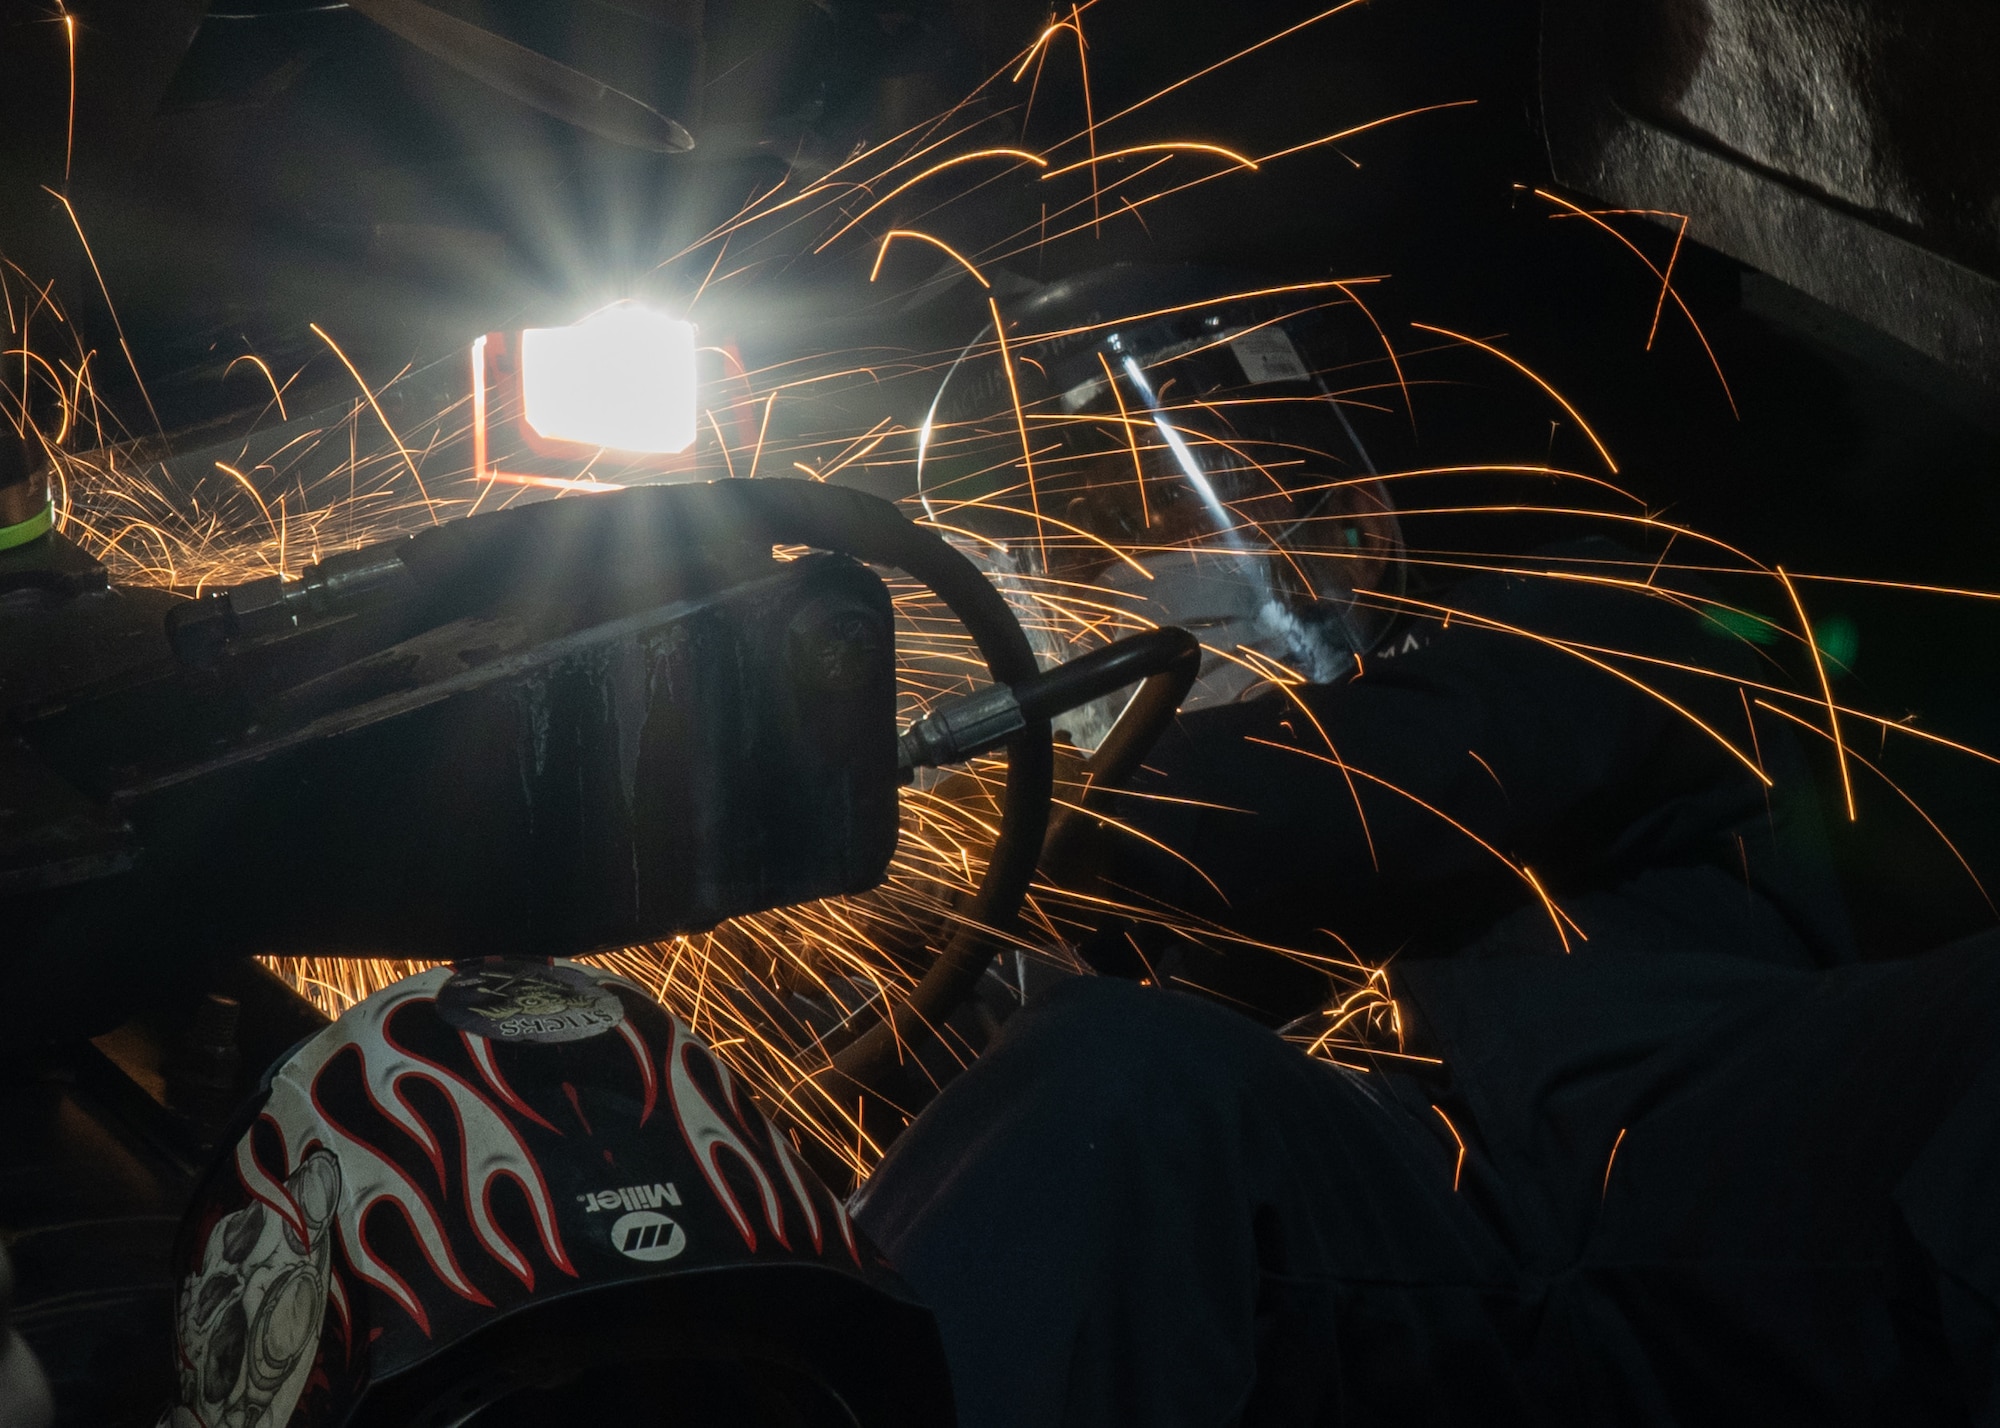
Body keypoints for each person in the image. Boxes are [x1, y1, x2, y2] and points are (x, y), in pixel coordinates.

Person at [852, 268, 2000, 1425]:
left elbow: (1357, 778)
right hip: (1419, 1250)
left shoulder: (1641, 623)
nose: (1138, 576)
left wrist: (920, 835)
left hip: (1660, 1155)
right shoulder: (1167, 960)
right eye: (1098, 546)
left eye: (1161, 514)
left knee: (1118, 1089)